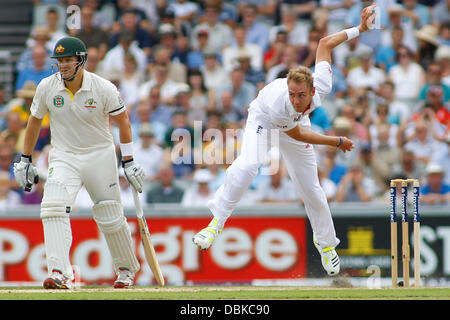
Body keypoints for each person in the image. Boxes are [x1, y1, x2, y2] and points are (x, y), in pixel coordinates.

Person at [192, 4, 377, 277]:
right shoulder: (283, 104)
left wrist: (359, 30)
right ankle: (215, 223)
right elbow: (298, 134)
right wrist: (336, 141)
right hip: (264, 120)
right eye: (292, 93)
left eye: (300, 95)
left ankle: (326, 246)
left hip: (296, 125)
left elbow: (325, 44)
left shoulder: (321, 85)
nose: (295, 99)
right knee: (247, 166)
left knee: (312, 189)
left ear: (312, 90)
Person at [13, 37, 146, 289]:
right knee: (52, 207)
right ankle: (60, 272)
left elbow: (124, 122)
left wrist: (128, 161)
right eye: (60, 61)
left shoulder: (103, 87)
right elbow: (33, 121)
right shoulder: (46, 86)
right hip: (64, 155)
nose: (63, 66)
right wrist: (25, 159)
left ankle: (125, 270)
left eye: (68, 60)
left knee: (109, 213)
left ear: (81, 60)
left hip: (100, 155)